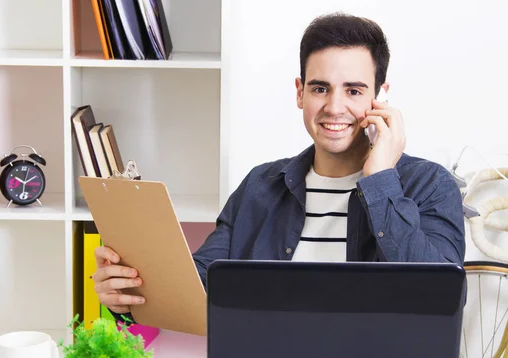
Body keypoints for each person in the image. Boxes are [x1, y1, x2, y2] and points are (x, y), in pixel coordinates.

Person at [92, 12, 466, 321]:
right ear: (300, 92)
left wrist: (381, 180)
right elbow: (201, 284)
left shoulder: (429, 185)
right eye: (320, 88)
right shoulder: (261, 185)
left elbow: (440, 298)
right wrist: (128, 295)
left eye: (353, 90)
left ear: (381, 96)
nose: (335, 107)